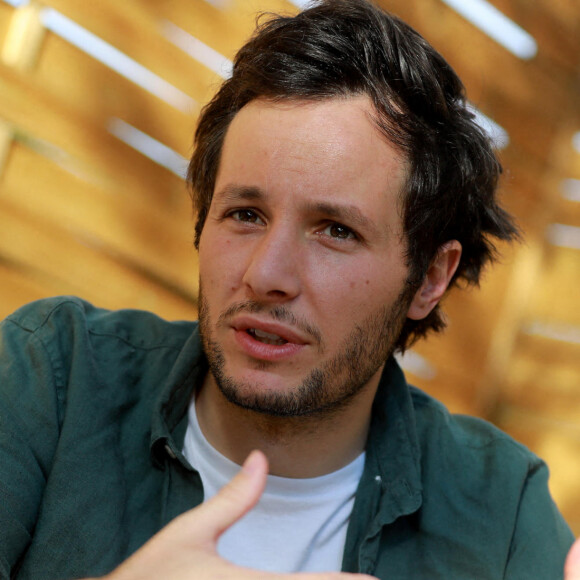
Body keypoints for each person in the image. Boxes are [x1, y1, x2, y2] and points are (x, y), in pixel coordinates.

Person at [0, 0, 576, 578]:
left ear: (429, 277)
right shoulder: (55, 376)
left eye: (335, 231)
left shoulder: (501, 512)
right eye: (246, 214)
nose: (266, 276)